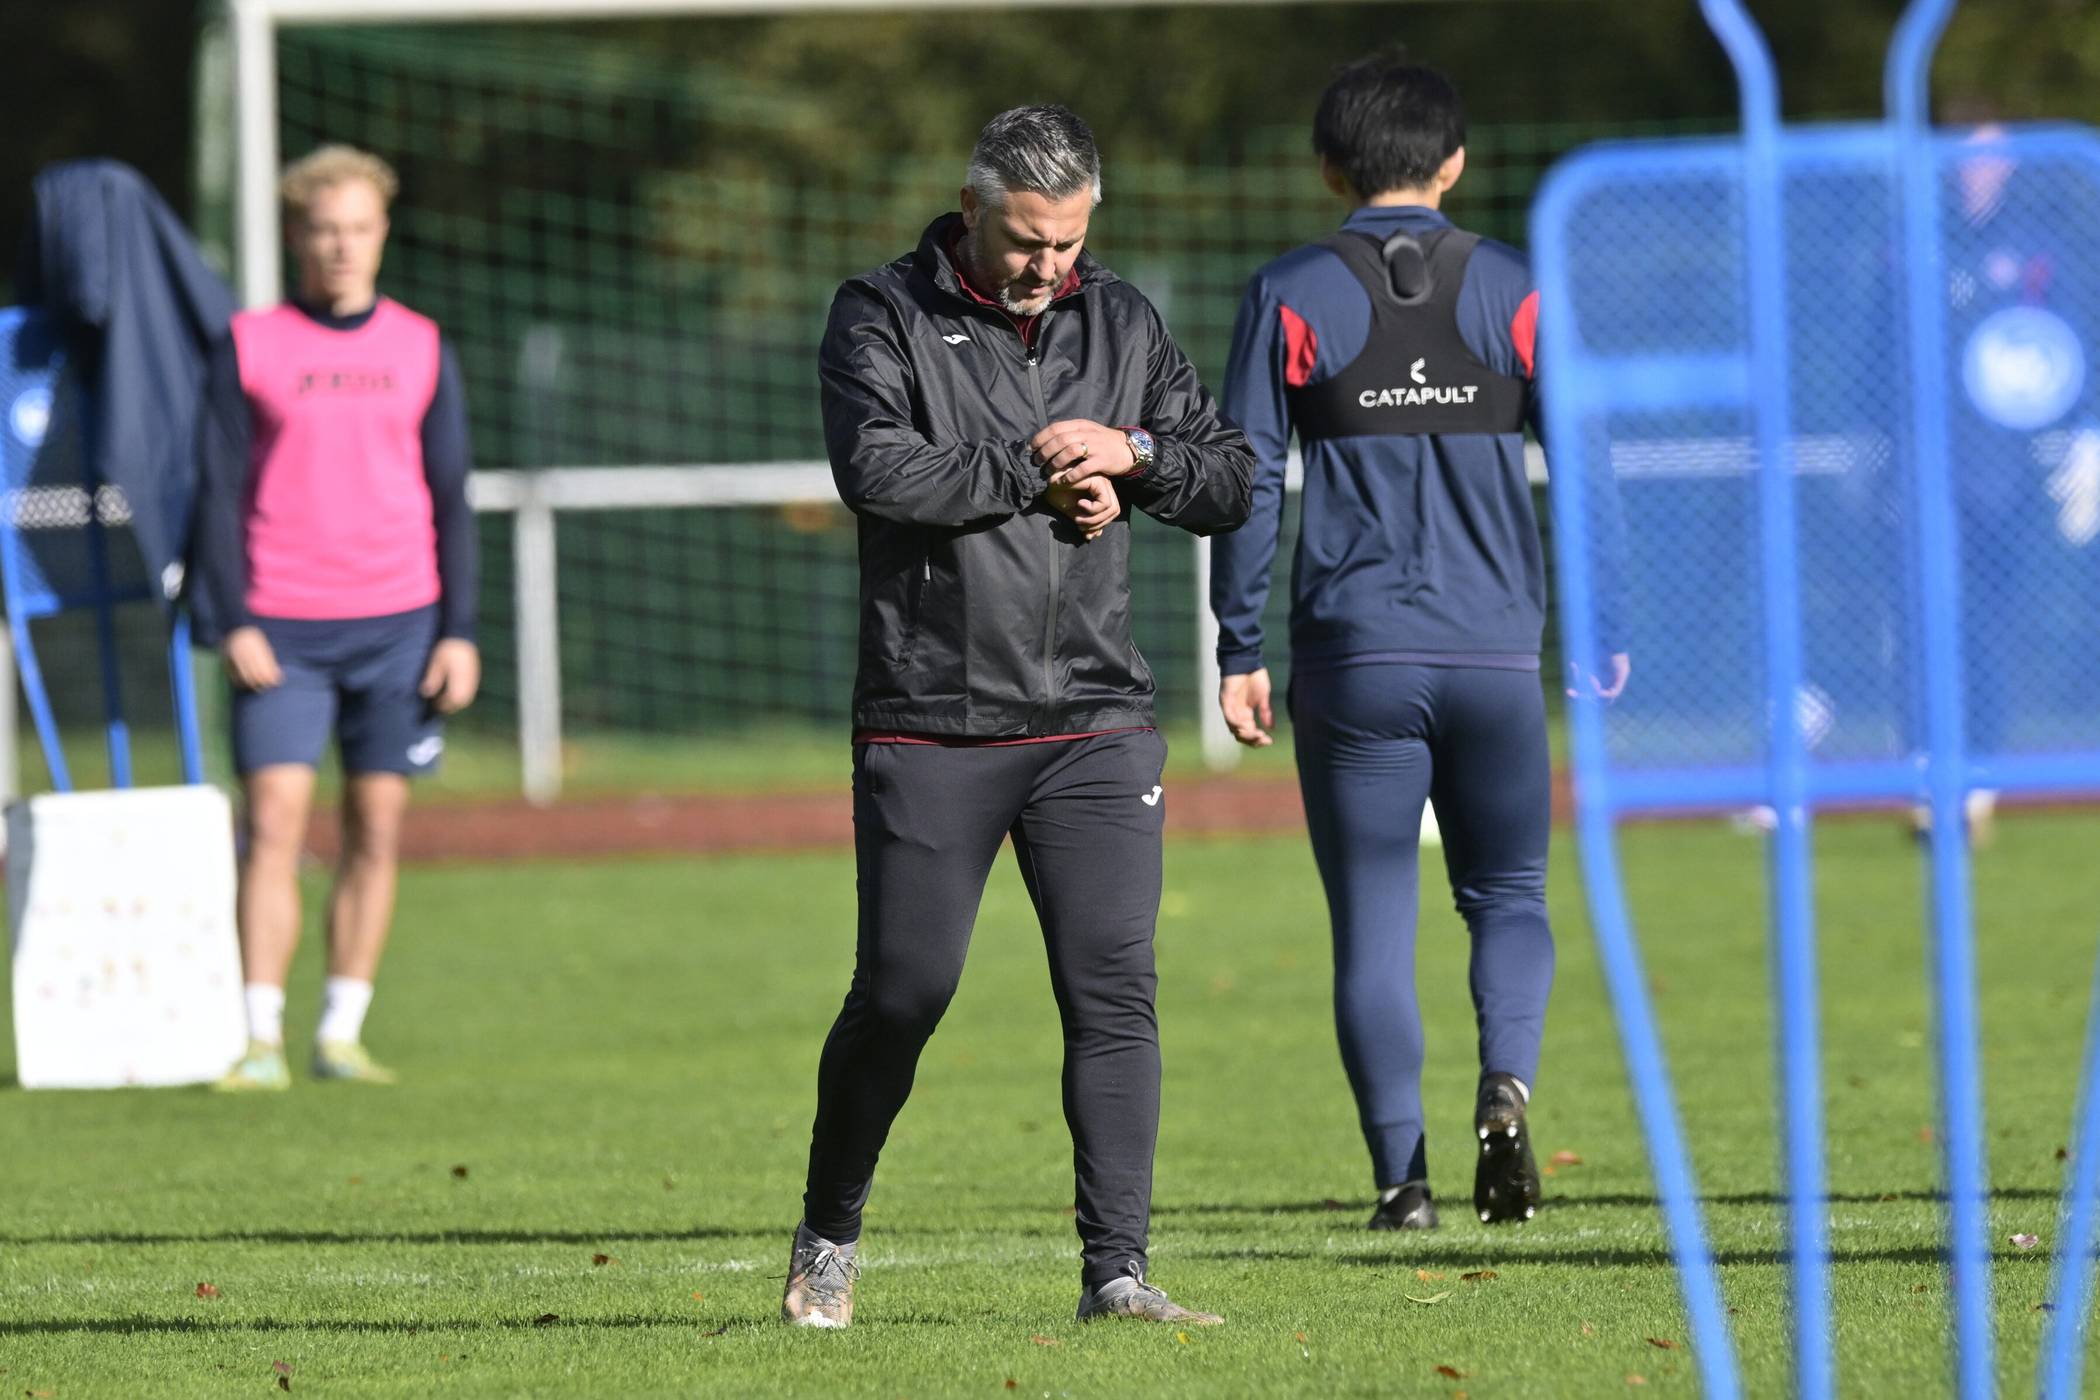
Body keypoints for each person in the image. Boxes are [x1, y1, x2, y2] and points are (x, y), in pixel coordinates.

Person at [784, 104, 1253, 1329]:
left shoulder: (1124, 319)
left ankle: (1119, 1272)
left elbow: (1227, 475)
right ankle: (830, 1228)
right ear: (971, 207)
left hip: (1096, 717)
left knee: (1114, 990)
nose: (1048, 265)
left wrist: (1134, 454)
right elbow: (880, 469)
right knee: (904, 991)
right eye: (1026, 240)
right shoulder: (879, 312)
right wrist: (1040, 469)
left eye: (1068, 242)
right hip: (931, 714)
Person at [1210, 55, 1626, 1232]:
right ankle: (1508, 1081)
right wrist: (1606, 620)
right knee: (1511, 894)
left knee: (1372, 919)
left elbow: (1246, 484)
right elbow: (1588, 467)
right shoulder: (1519, 286)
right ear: (1455, 163)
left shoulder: (1289, 291)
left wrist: (1238, 644)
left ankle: (1405, 1183)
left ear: (1328, 168)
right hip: (1495, 652)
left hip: (1355, 659)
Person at [193, 145, 479, 1091]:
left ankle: (341, 1033)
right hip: (279, 628)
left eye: (358, 227)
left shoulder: (421, 345)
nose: (342, 246)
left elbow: (451, 497)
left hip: (399, 625)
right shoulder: (249, 344)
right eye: (324, 229)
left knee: (375, 826)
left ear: (382, 232)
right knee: (274, 823)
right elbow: (214, 492)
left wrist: (459, 631)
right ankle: (258, 1038)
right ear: (296, 235)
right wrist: (233, 619)